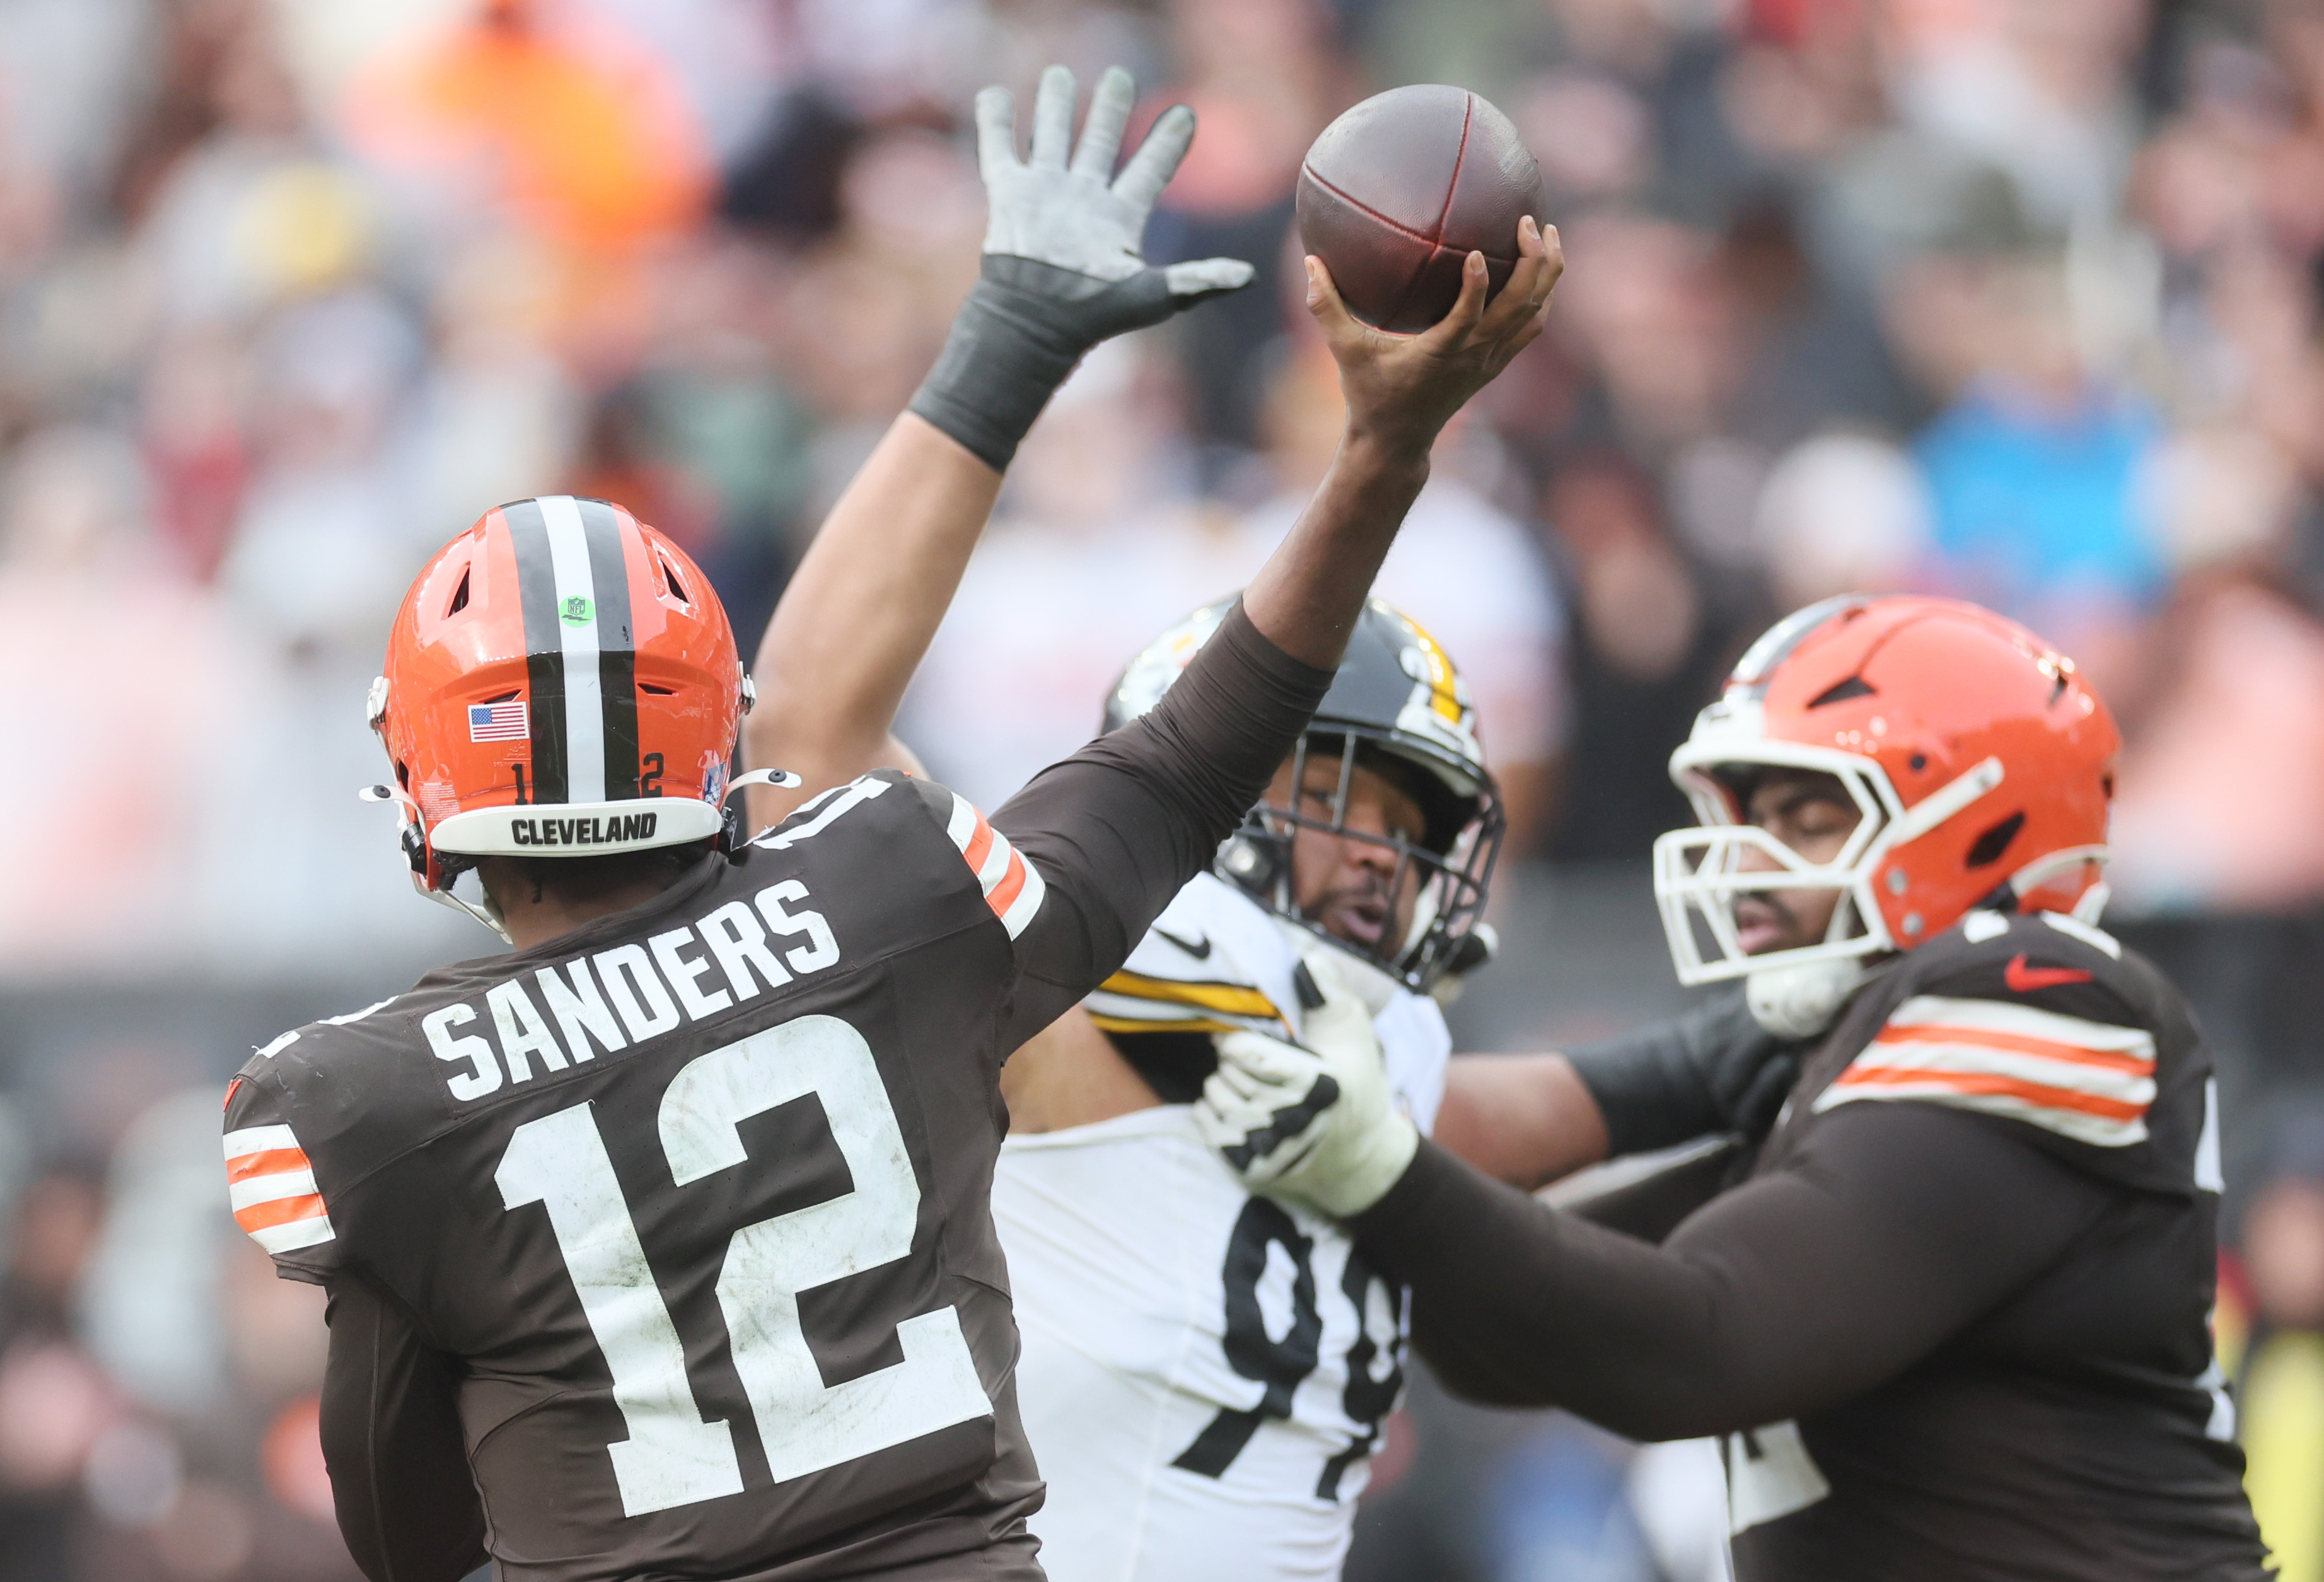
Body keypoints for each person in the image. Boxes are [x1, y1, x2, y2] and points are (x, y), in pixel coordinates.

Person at [217, 64, 1559, 1582]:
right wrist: (1383, 450)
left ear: (423, 785)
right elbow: (1186, 765)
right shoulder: (886, 891)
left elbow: (407, 1535)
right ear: (713, 737)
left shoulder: (363, 1100)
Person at [740, 122, 1815, 1582]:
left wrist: (1769, 1040)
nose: (1380, 858)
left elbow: (1476, 1116)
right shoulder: (1076, 1007)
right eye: (1341, 800)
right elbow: (805, 731)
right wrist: (1001, 351)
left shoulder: (1366, 1052)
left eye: (1411, 824)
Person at [1200, 593, 2274, 1580]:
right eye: (1741, 818)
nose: (1748, 862)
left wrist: (1384, 1176)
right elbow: (1504, 1338)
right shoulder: (1846, 1053)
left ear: (1982, 821)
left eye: (1807, 819)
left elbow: (1700, 1341)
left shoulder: (2045, 990)